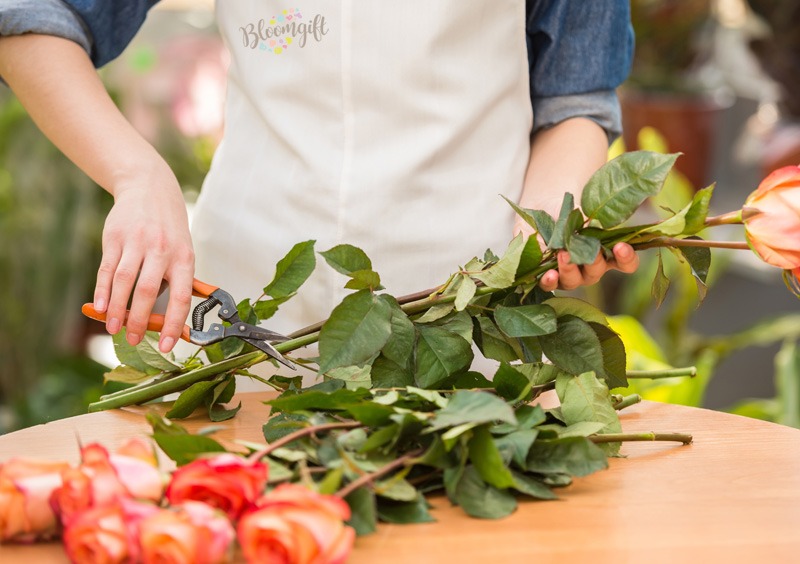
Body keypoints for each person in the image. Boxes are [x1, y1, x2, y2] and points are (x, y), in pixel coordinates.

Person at [0, 0, 639, 356]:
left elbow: (574, 97)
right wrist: (137, 175)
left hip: (462, 314)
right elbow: (33, 17)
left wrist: (545, 234)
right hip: (244, 310)